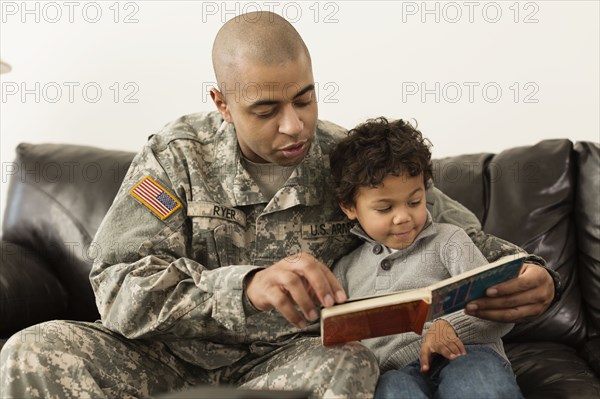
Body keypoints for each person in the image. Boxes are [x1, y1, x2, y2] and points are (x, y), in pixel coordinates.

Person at [0, 11, 557, 399]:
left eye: (305, 99)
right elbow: (118, 284)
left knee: (355, 365)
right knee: (34, 348)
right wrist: (242, 287)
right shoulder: (172, 163)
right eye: (266, 109)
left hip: (291, 363)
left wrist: (534, 276)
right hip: (164, 360)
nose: (294, 126)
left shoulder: (351, 161)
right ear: (222, 102)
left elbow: (460, 237)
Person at [329, 117, 523, 399]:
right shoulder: (345, 270)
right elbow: (337, 337)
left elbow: (499, 305)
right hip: (394, 371)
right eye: (384, 208)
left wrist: (449, 326)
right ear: (349, 207)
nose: (403, 216)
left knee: (481, 386)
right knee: (392, 392)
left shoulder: (450, 240)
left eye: (414, 201)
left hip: (465, 352)